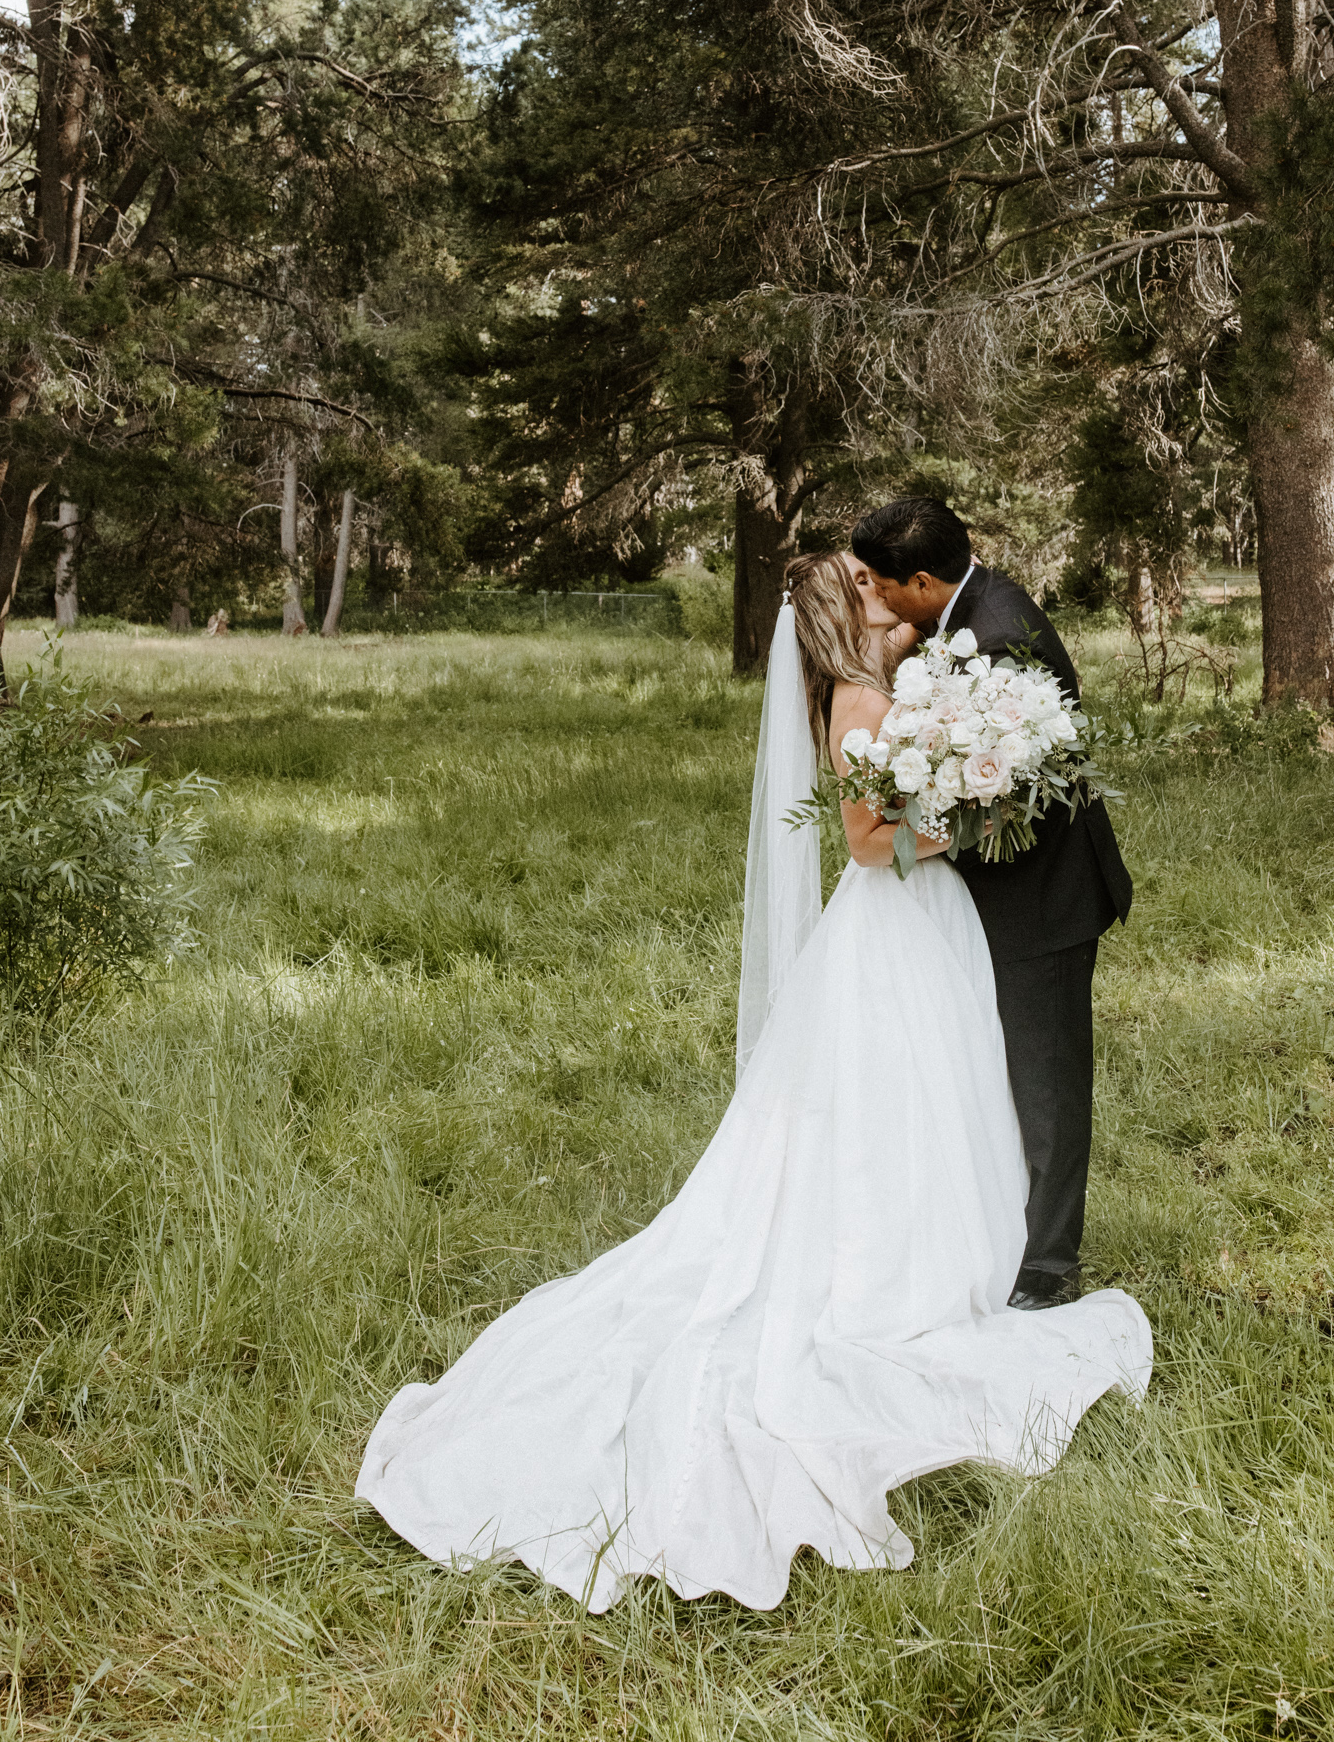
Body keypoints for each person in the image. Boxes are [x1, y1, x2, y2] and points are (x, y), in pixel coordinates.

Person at [356, 550, 1150, 1613]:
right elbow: (869, 845)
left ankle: (948, 1237)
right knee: (892, 1098)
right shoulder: (864, 700)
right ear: (845, 613)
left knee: (915, 1097)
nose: (885, 597)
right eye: (867, 590)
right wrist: (968, 807)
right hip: (898, 922)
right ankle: (906, 1265)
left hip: (919, 931)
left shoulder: (876, 688)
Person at [850, 498, 1133, 1313]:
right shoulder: (959, 612)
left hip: (1040, 901)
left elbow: (1014, 801)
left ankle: (1047, 1264)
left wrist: (914, 821)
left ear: (924, 579)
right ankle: (992, 1229)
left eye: (879, 583)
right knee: (993, 1074)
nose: (874, 596)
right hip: (987, 898)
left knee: (1044, 1085)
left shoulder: (1001, 635)